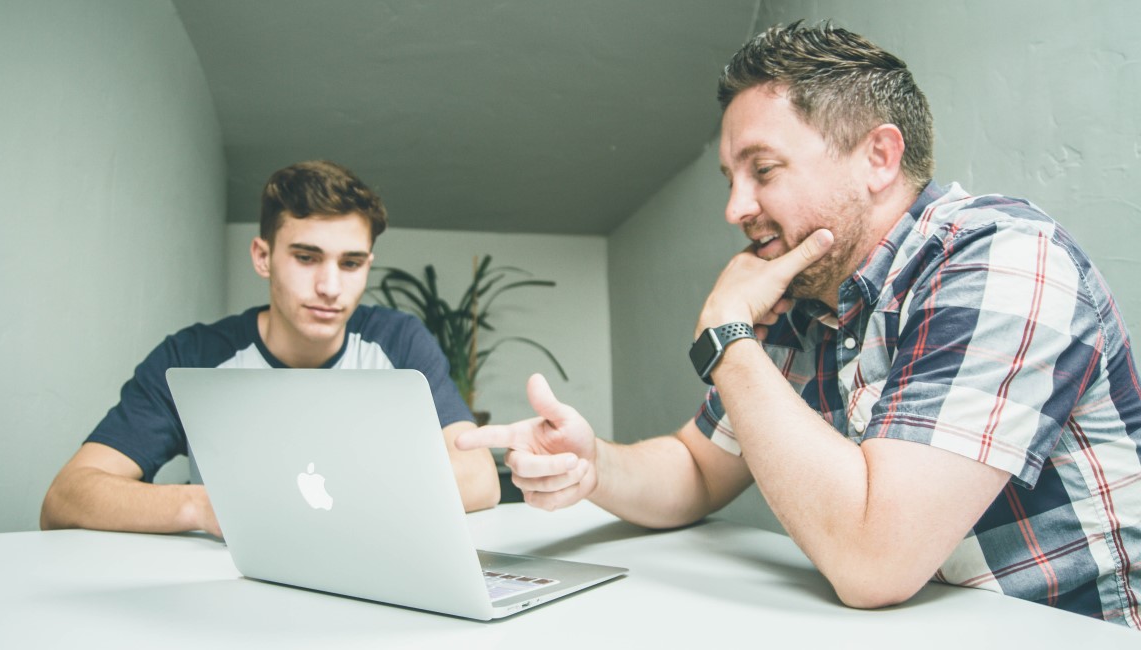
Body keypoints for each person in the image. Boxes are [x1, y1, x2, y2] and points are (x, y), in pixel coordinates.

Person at [457, 21, 1141, 628]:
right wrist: (593, 464)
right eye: (731, 177)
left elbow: (876, 561)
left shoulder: (1003, 260)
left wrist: (728, 335)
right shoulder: (809, 295)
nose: (735, 207)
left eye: (763, 170)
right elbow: (699, 467)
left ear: (879, 157)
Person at [42, 160, 500, 537]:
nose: (330, 286)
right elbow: (67, 496)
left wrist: (321, 500)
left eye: (351, 263)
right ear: (263, 256)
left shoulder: (398, 342)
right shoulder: (193, 356)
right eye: (306, 257)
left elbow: (479, 478)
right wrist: (205, 507)